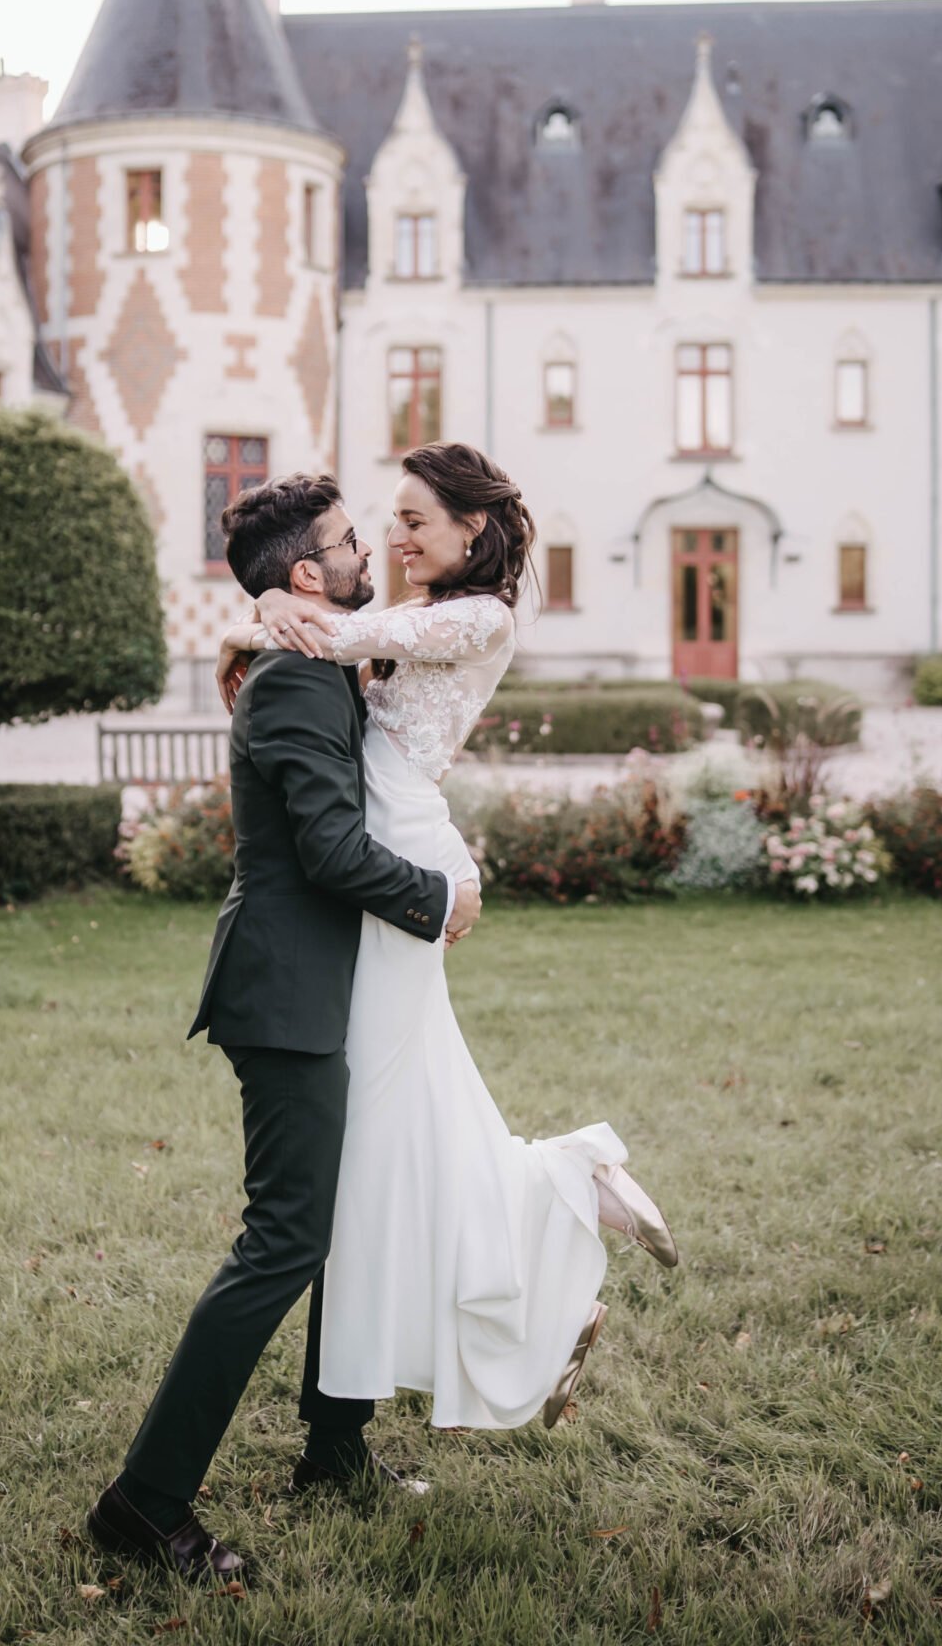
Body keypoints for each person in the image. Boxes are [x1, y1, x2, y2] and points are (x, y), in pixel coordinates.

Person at [217, 442, 679, 1447]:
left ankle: (559, 1197)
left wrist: (266, 606)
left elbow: (349, 632)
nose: (394, 536)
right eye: (386, 520)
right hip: (398, 837)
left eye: (416, 520)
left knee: (393, 1116)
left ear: (473, 529)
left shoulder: (480, 613)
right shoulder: (410, 618)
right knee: (404, 1110)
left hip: (402, 847)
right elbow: (336, 633)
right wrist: (264, 606)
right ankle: (562, 1194)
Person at [85, 471, 481, 1588]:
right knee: (284, 1240)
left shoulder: (306, 649)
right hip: (289, 992)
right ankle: (145, 1502)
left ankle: (335, 1447)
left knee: (338, 1218)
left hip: (319, 984)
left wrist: (263, 609)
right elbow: (328, 851)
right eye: (352, 542)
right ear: (310, 572)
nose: (368, 555)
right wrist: (439, 896)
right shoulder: (296, 682)